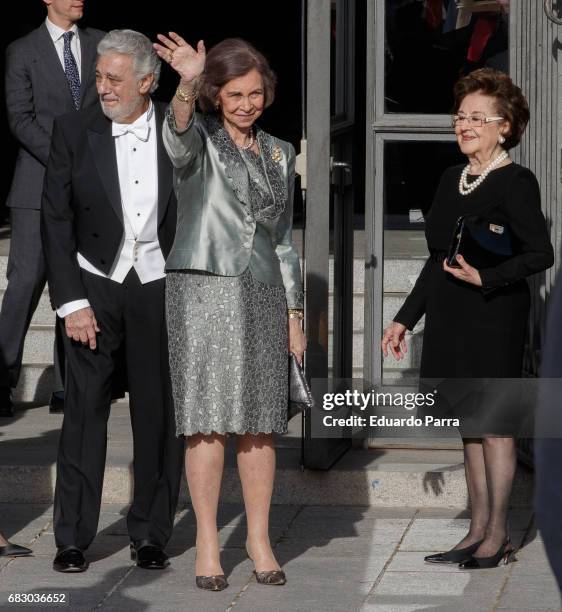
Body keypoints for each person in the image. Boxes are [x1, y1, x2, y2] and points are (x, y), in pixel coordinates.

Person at [382, 68, 553, 569]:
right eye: (461, 116)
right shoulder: (447, 177)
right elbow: (438, 258)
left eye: (478, 118)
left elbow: (539, 254)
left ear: (505, 126)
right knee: (469, 427)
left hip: (494, 313)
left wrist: (489, 277)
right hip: (452, 315)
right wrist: (404, 318)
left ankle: (498, 536)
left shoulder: (517, 181)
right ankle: (475, 530)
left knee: (495, 426)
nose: (465, 125)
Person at [153, 34, 306, 590]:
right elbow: (176, 138)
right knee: (208, 423)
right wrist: (188, 82)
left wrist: (294, 312)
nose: (247, 104)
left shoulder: (280, 151)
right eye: (236, 94)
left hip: (263, 292)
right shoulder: (198, 138)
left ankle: (259, 537)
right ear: (218, 95)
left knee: (261, 424)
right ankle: (208, 542)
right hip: (203, 290)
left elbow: (285, 237)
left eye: (256, 94)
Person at [41, 29, 183, 574]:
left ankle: (150, 533)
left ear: (148, 82)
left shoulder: (179, 128)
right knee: (82, 413)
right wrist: (70, 302)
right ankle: (72, 537)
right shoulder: (72, 130)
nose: (102, 87)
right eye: (99, 76)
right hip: (93, 284)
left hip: (158, 286)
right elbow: (55, 218)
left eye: (114, 79)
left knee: (157, 415)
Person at [0, 0, 105, 417]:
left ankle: (69, 386)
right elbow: (20, 118)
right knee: (24, 285)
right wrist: (66, 158)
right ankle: (2, 379)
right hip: (36, 186)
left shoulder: (101, 43)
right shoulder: (22, 50)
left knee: (77, 285)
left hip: (90, 186)